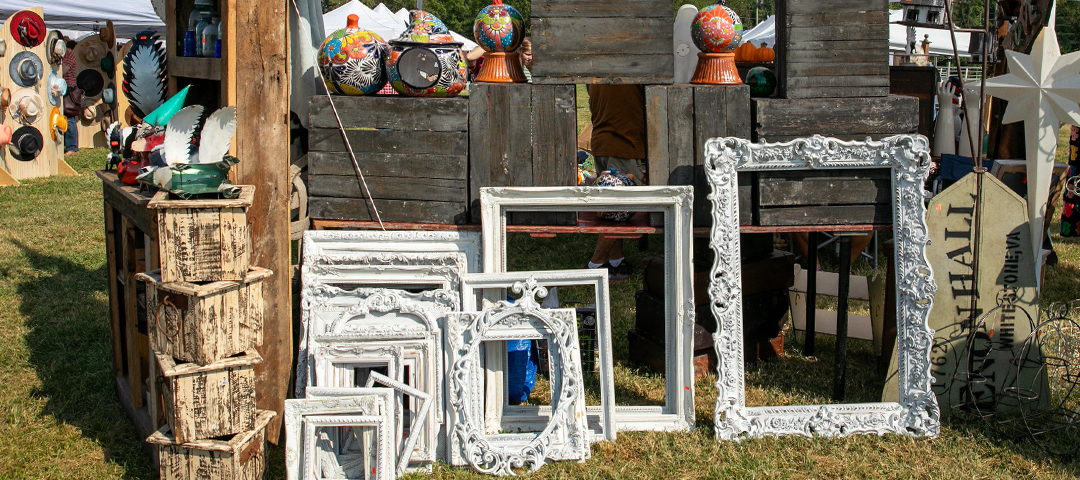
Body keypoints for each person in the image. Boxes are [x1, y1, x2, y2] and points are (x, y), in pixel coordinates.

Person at [585, 84, 647, 282]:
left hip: (603, 141)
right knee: (618, 208)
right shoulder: (634, 69)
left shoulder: (599, 68)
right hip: (624, 144)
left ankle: (616, 261)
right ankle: (595, 266)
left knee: (612, 212)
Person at [61, 38, 78, 156]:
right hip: (59, 88)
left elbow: (62, 70)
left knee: (69, 118)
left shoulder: (68, 53)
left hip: (68, 89)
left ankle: (72, 148)